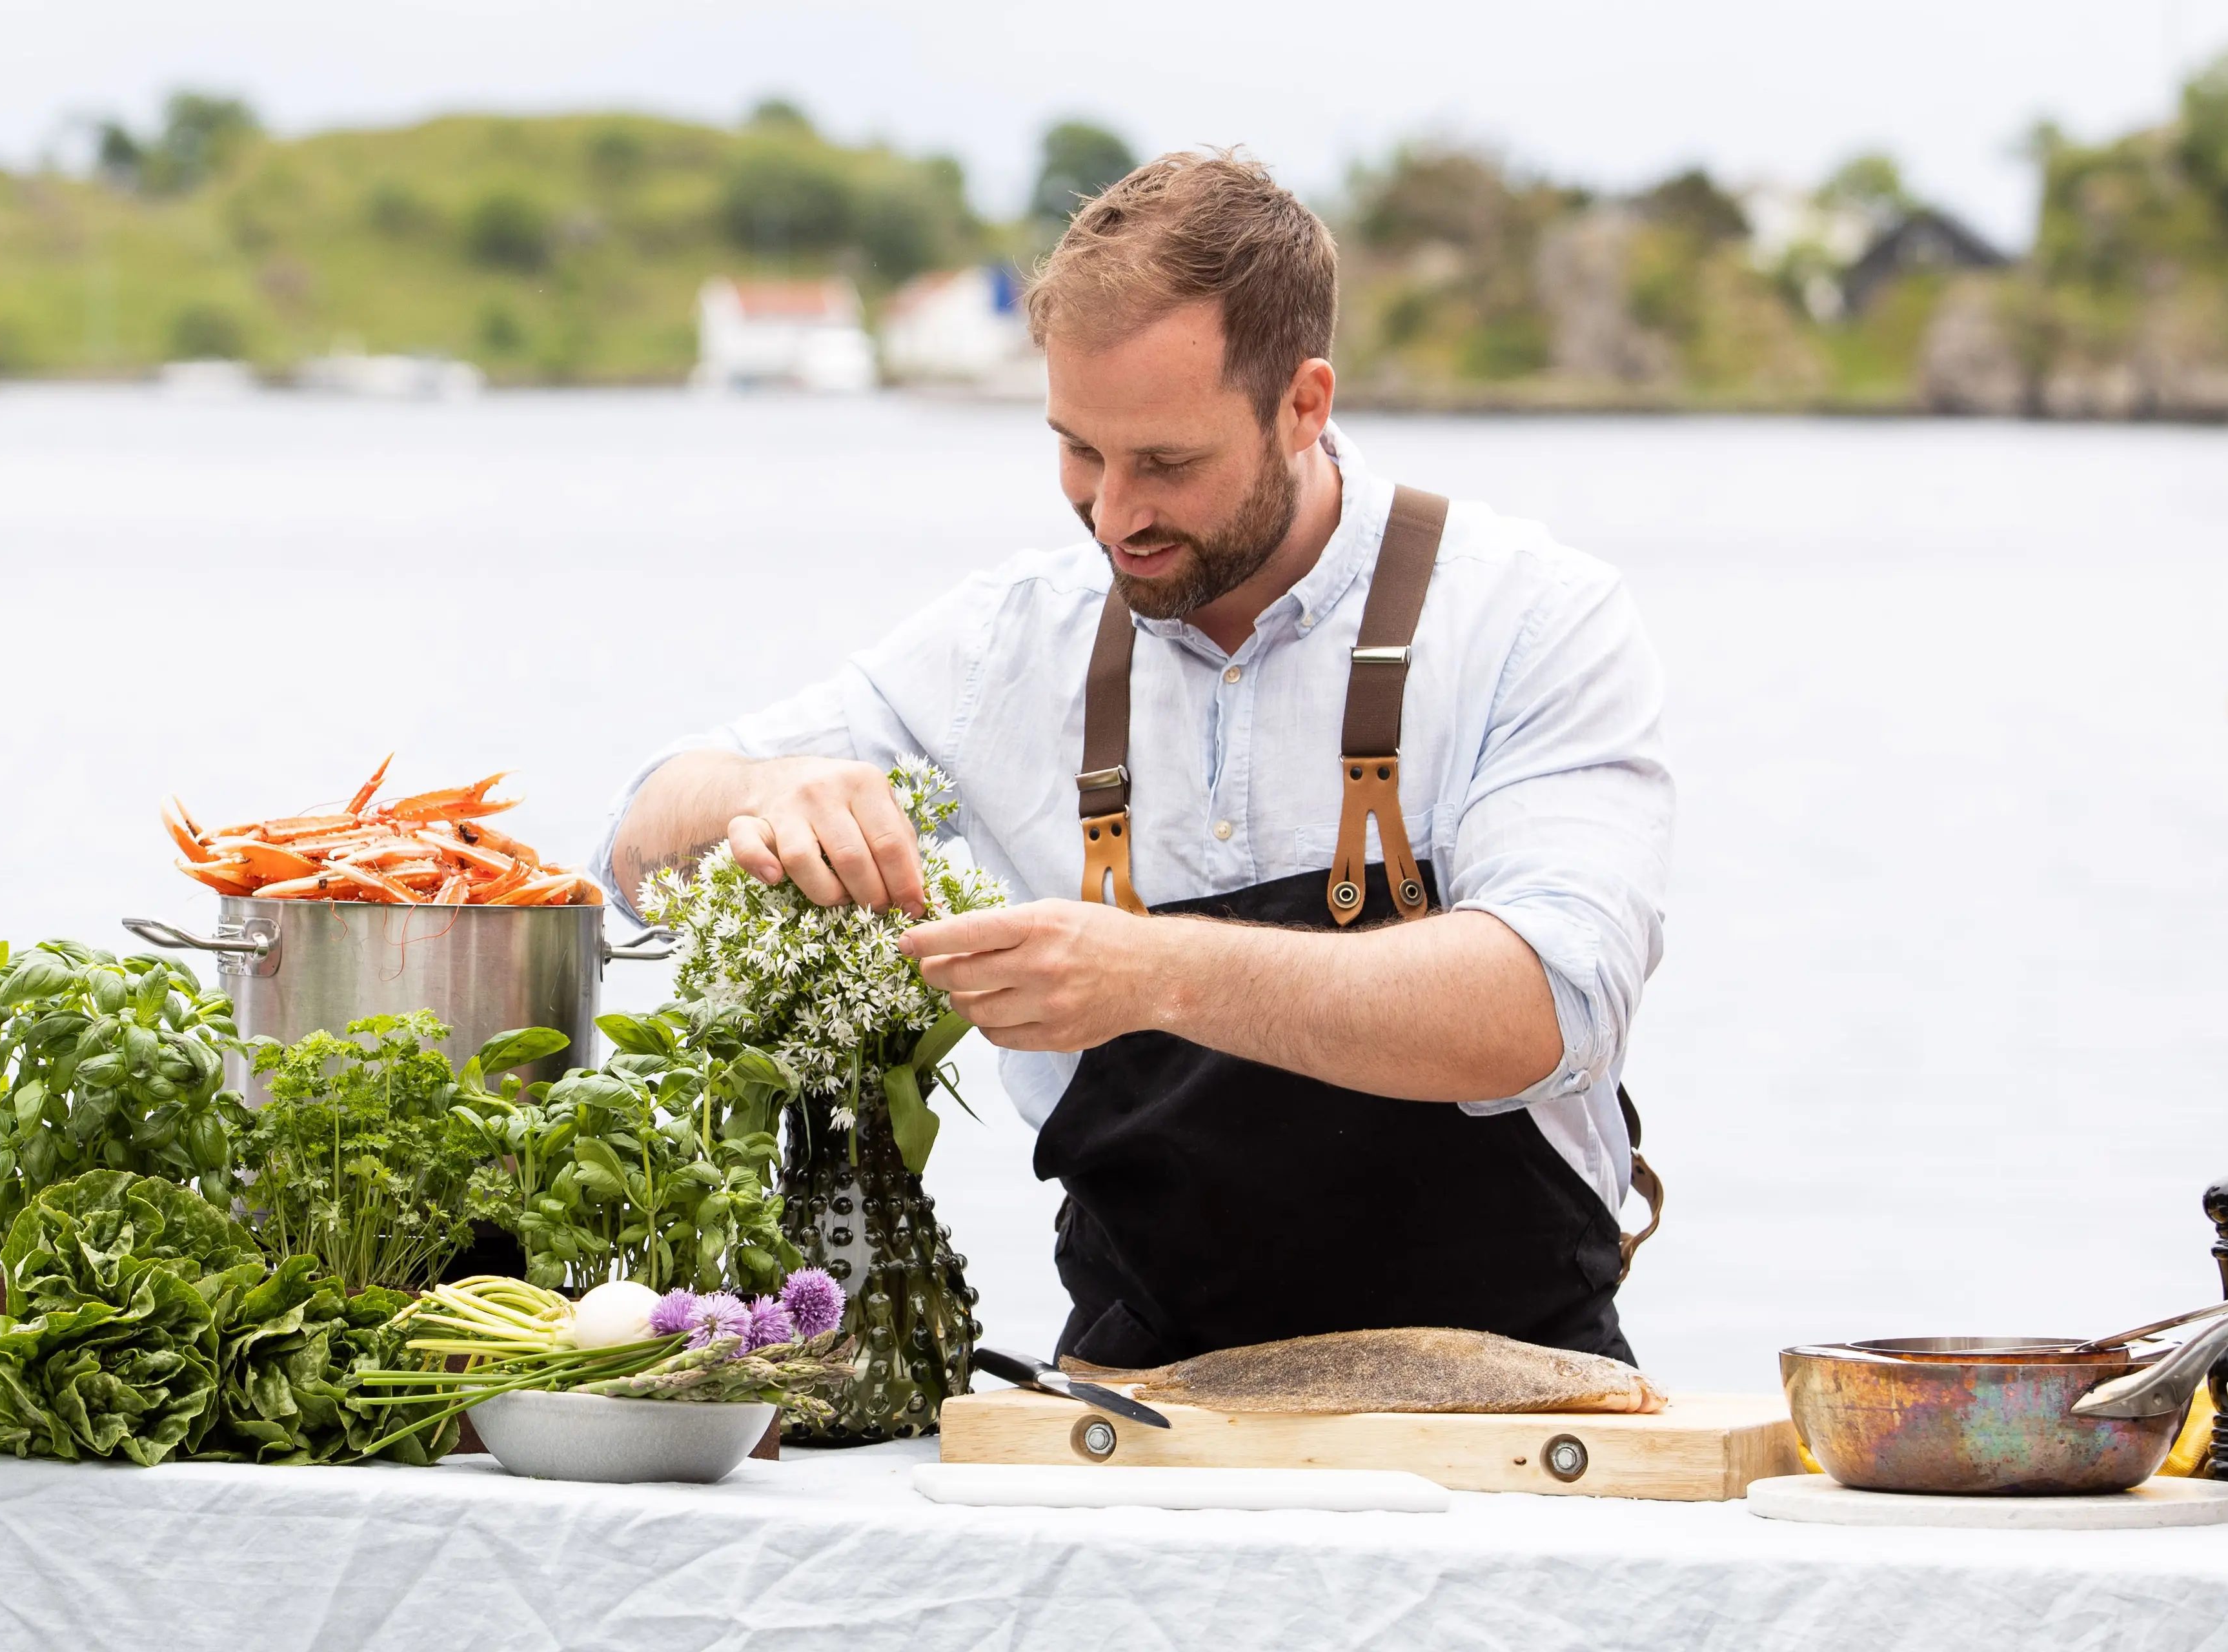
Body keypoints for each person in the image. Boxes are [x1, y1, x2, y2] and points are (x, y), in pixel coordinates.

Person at [597, 152, 1672, 1369]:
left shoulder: (1533, 618)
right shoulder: (1005, 643)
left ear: (1305, 404)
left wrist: (1154, 974)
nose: (1113, 515)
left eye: (1166, 463)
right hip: (1135, 1406)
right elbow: (633, 845)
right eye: (1077, 452)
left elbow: (1550, 1003)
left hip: (1519, 1394)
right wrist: (766, 792)